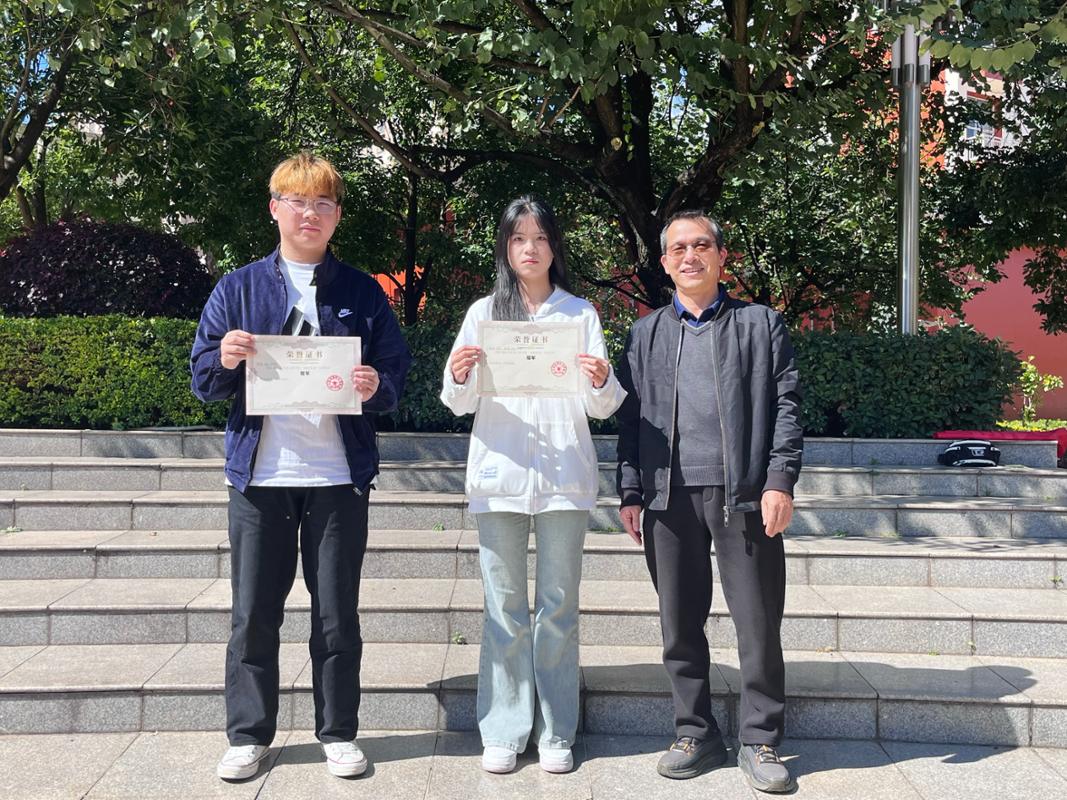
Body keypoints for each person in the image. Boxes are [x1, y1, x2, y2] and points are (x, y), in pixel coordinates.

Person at [190, 151, 412, 782]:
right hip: (260, 478)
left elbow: (395, 372)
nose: (309, 214)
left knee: (337, 613)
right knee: (253, 614)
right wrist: (225, 357)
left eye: (322, 204)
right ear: (275, 209)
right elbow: (203, 380)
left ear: (336, 215)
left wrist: (375, 384)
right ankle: (247, 736)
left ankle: (338, 732)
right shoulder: (237, 289)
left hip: (337, 477)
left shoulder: (361, 291)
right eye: (297, 202)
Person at [615, 210, 802, 793]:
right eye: (678, 249)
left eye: (701, 246)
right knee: (679, 622)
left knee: (757, 620)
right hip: (667, 496)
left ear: (722, 257)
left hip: (743, 494)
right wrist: (630, 489)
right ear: (665, 262)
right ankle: (695, 732)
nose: (690, 256)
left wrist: (779, 481)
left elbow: (787, 407)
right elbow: (630, 419)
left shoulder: (760, 324)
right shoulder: (645, 334)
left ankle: (761, 739)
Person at [441, 196, 626, 775]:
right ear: (505, 247)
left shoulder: (579, 314)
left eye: (540, 237)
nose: (530, 248)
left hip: (563, 477)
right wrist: (459, 374)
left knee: (558, 605)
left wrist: (602, 379)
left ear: (554, 247)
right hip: (499, 475)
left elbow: (601, 407)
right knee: (503, 605)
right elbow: (456, 401)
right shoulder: (483, 314)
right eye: (519, 238)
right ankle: (503, 727)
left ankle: (556, 729)